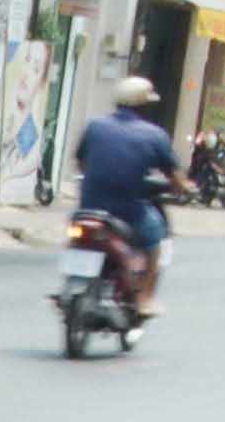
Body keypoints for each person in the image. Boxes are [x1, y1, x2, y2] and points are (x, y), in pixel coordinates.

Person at [75, 74, 185, 317]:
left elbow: (81, 163)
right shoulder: (155, 135)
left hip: (88, 207)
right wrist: (184, 190)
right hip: (129, 210)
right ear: (144, 105)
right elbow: (176, 180)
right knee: (157, 243)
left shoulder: (94, 126)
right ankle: (144, 298)